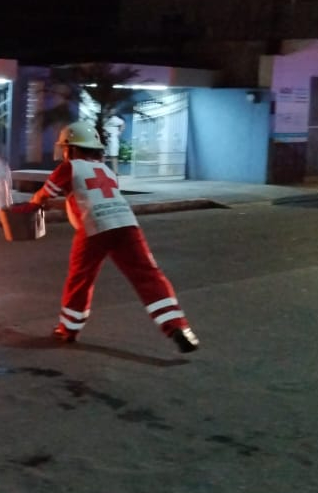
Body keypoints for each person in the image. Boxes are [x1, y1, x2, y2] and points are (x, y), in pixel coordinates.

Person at [27, 120, 199, 353]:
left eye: (65, 148)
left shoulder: (69, 168)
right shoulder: (106, 170)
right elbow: (88, 196)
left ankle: (68, 329)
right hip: (126, 224)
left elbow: (42, 196)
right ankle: (178, 326)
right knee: (149, 276)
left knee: (81, 280)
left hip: (94, 228)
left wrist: (34, 205)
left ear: (72, 148)